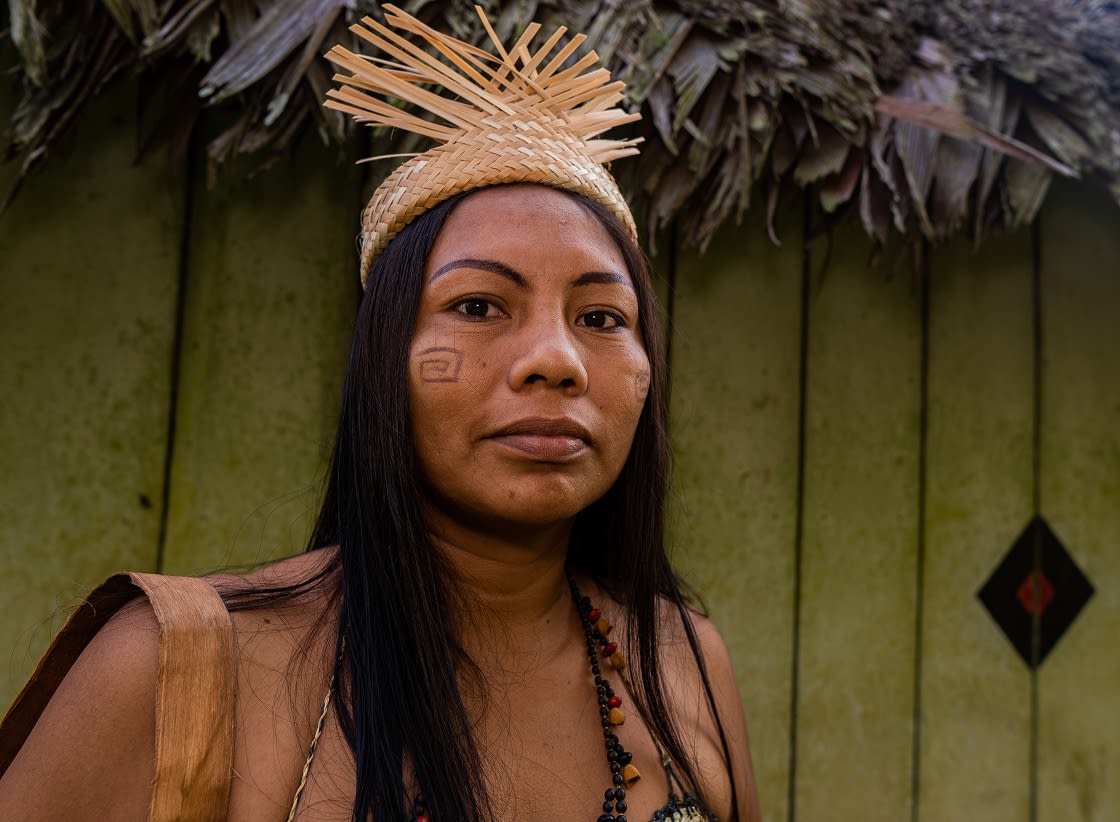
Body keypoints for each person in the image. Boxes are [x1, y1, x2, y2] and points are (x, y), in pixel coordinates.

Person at [0, 6, 760, 822]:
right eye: (478, 304)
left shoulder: (681, 659)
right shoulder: (175, 666)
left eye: (603, 318)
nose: (557, 360)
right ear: (383, 363)